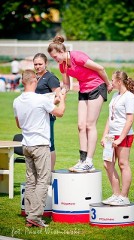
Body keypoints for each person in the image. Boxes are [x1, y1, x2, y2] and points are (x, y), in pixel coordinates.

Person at [47, 35, 113, 173]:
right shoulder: (62, 65)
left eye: (55, 57)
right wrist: (59, 95)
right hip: (83, 90)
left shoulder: (77, 57)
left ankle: (89, 161)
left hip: (97, 87)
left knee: (90, 125)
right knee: (80, 125)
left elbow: (100, 68)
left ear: (61, 52)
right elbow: (66, 85)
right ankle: (82, 160)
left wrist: (108, 84)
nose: (55, 60)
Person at [13, 69, 66, 228]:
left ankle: (30, 214)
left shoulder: (16, 101)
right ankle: (35, 216)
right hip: (40, 145)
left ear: (23, 82)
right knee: (43, 180)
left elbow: (19, 124)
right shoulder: (40, 99)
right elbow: (60, 112)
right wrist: (62, 98)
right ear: (34, 81)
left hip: (26, 144)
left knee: (31, 181)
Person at [101, 70, 134, 206]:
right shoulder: (115, 95)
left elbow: (129, 120)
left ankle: (124, 196)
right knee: (107, 164)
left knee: (123, 164)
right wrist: (105, 135)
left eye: (112, 80)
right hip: (111, 135)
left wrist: (120, 139)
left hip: (124, 135)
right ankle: (116, 194)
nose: (111, 82)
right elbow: (109, 118)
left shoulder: (129, 97)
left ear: (119, 81)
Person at [33, 53, 61, 170]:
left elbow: (59, 97)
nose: (38, 66)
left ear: (46, 64)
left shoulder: (51, 78)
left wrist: (46, 107)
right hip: (35, 117)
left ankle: (50, 171)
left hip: (47, 116)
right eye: (35, 64)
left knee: (49, 144)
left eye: (40, 64)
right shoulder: (34, 77)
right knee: (37, 144)